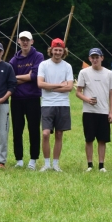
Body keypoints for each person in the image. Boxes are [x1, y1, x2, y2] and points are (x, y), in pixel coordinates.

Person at [76, 48, 112, 172]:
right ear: (89, 59)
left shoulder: (109, 73)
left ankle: (101, 165)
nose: (95, 60)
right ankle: (90, 165)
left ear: (102, 58)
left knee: (102, 140)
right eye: (92, 57)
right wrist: (87, 99)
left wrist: (111, 112)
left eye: (97, 57)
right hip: (88, 111)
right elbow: (78, 92)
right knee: (89, 139)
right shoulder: (84, 72)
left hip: (103, 111)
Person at [9, 30, 44, 170]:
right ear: (18, 41)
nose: (24, 42)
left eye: (27, 40)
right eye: (22, 40)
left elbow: (35, 76)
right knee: (17, 130)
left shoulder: (38, 56)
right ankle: (19, 160)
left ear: (32, 41)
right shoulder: (14, 60)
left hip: (33, 98)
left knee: (34, 129)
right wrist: (26, 77)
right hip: (16, 99)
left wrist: (19, 77)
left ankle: (33, 160)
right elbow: (10, 79)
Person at [37, 38, 73, 172]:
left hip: (63, 104)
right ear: (51, 50)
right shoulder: (44, 65)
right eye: (55, 50)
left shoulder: (67, 66)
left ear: (64, 51)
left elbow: (69, 87)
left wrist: (50, 87)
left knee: (59, 134)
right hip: (47, 104)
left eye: (60, 50)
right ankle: (46, 164)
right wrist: (59, 85)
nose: (57, 52)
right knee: (46, 133)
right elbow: (40, 84)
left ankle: (56, 164)